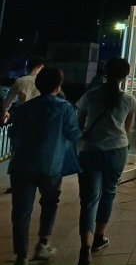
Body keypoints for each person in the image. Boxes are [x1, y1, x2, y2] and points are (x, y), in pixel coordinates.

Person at [7, 66, 83, 265]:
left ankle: (21, 255)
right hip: (51, 165)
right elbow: (74, 133)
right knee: (49, 203)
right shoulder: (65, 108)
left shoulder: (25, 109)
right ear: (58, 85)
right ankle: (43, 243)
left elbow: (13, 134)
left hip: (22, 165)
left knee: (21, 210)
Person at [75, 57, 136, 265]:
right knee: (108, 193)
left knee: (88, 198)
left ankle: (85, 247)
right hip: (116, 151)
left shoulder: (90, 95)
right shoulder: (129, 100)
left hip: (90, 151)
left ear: (105, 72)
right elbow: (126, 130)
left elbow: (80, 124)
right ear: (125, 76)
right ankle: (99, 237)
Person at [2, 55, 45, 124]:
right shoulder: (44, 82)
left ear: (27, 66)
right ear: (41, 67)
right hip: (39, 118)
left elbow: (9, 100)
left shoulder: (20, 81)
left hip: (22, 116)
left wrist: (5, 111)